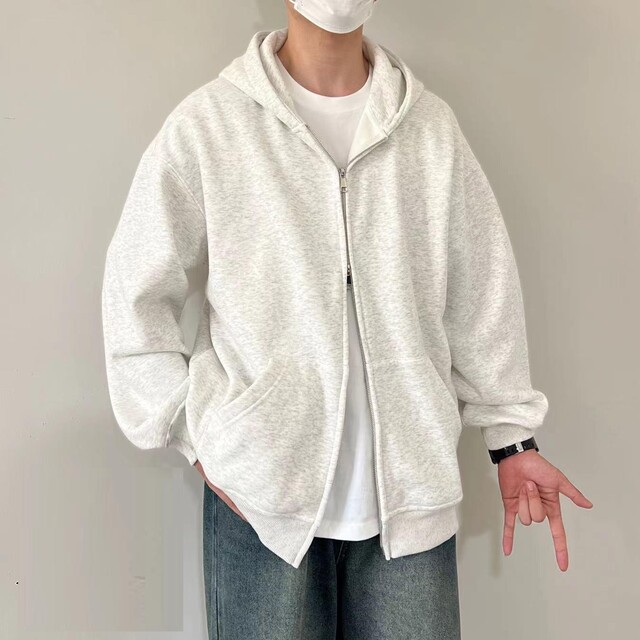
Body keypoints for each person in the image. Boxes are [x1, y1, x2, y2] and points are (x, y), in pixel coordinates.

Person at [101, 1, 594, 637]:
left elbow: (482, 289)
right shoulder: (212, 124)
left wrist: (512, 440)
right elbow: (134, 294)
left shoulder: (428, 129)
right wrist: (197, 435)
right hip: (260, 506)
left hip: (409, 512)